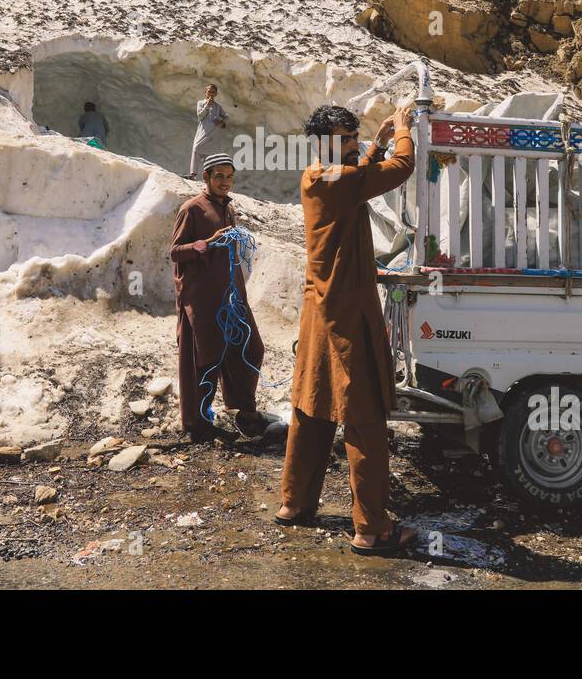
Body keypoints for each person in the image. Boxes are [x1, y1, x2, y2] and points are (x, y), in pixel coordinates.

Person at [276, 103, 418, 556]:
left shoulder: (319, 175)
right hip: (346, 315)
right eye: (345, 138)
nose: (353, 146)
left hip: (320, 309)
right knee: (365, 416)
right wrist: (404, 131)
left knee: (312, 405)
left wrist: (373, 140)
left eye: (353, 137)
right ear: (324, 143)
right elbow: (401, 168)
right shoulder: (339, 179)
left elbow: (360, 169)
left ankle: (295, 505)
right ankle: (372, 528)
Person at [169, 152, 268, 441]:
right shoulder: (192, 209)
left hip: (232, 298)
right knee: (204, 358)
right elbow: (175, 252)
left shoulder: (227, 209)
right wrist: (207, 243)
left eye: (229, 176)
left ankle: (244, 409)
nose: (226, 182)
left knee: (250, 349)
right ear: (206, 178)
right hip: (202, 299)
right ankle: (197, 423)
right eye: (220, 176)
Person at [187, 85, 228, 178]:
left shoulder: (218, 107)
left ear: (216, 94)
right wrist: (207, 105)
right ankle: (193, 174)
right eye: (209, 91)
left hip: (213, 135)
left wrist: (222, 122)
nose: (211, 94)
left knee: (209, 156)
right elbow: (200, 116)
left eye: (213, 92)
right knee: (196, 149)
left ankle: (208, 178)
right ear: (205, 92)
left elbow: (226, 117)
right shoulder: (200, 103)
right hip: (203, 132)